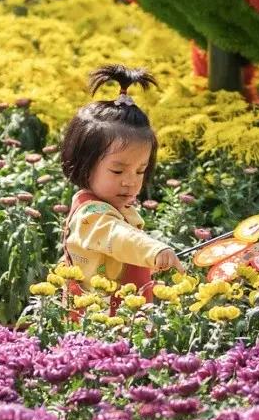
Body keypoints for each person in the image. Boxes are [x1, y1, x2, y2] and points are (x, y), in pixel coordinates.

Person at [59, 64, 182, 318]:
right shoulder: (91, 215)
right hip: (98, 326)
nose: (131, 182)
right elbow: (118, 236)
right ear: (84, 163)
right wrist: (152, 250)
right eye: (117, 171)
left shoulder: (114, 206)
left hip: (122, 319)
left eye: (140, 171)